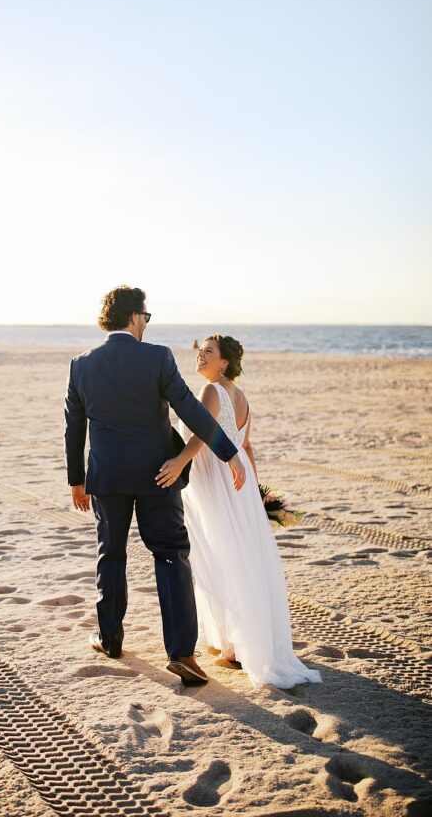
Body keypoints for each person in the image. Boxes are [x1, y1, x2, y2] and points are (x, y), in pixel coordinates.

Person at [64, 287, 247, 686]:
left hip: (107, 478)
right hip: (158, 475)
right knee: (170, 555)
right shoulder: (158, 357)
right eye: (146, 316)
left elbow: (74, 427)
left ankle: (110, 639)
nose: (147, 324)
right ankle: (181, 653)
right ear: (134, 317)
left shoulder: (81, 365)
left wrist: (77, 480)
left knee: (110, 554)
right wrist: (227, 452)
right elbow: (190, 409)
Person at [156, 334, 320, 689]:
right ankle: (235, 639)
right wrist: (256, 497)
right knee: (239, 555)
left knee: (222, 555)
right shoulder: (241, 396)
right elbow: (246, 446)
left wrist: (180, 460)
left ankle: (236, 646)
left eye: (209, 352)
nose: (201, 355)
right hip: (238, 481)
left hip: (217, 477)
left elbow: (205, 433)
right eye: (200, 350)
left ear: (224, 362)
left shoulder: (211, 392)